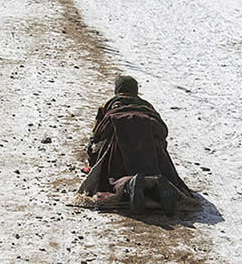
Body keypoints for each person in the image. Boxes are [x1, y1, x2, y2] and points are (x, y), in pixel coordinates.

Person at [78, 75, 192, 215]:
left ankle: (128, 185)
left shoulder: (108, 106)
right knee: (156, 171)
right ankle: (158, 187)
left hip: (118, 153)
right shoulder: (147, 107)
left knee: (113, 178)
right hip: (152, 156)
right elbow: (162, 132)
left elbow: (98, 134)